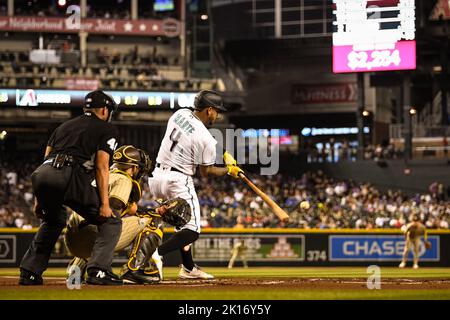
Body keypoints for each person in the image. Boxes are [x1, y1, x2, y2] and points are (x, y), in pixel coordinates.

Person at [19, 90, 123, 285]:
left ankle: (29, 272)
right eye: (109, 110)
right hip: (69, 175)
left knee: (53, 219)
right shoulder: (107, 129)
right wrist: (105, 204)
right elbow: (102, 166)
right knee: (111, 221)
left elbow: (46, 159)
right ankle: (98, 270)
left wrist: (38, 200)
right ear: (103, 109)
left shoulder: (63, 126)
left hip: (43, 174)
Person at [148, 89, 244, 280]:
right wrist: (229, 170)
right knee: (192, 231)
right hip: (178, 181)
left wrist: (222, 153)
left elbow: (194, 134)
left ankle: (188, 268)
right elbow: (206, 173)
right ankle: (156, 253)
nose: (217, 115)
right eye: (217, 111)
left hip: (156, 177)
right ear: (209, 110)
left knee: (181, 226)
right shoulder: (205, 138)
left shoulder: (179, 113)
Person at [64, 145, 191, 284]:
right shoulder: (124, 179)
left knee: (99, 223)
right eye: (139, 168)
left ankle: (75, 270)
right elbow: (112, 210)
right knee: (153, 221)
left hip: (71, 238)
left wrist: (135, 209)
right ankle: (133, 270)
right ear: (133, 167)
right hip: (92, 236)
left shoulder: (100, 173)